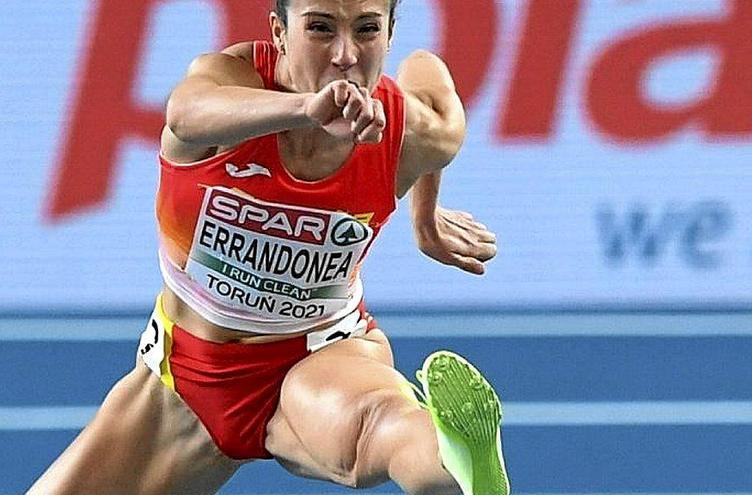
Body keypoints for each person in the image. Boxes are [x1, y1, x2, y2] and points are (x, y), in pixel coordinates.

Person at [28, 0, 507, 493]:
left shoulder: (411, 132)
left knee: (377, 429)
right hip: (183, 380)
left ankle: (455, 461)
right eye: (320, 29)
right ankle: (445, 463)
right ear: (279, 31)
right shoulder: (227, 83)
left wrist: (424, 221)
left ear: (389, 35)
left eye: (367, 29)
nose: (345, 54)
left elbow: (431, 86)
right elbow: (184, 114)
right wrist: (304, 110)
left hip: (318, 355)